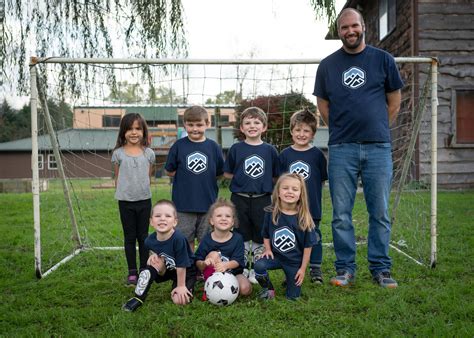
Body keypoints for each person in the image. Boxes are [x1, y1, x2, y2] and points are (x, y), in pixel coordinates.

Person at [314, 8, 403, 288]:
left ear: (364, 26)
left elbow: (394, 101)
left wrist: (376, 128)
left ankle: (380, 269)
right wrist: (341, 129)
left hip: (378, 147)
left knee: (380, 212)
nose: (350, 31)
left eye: (354, 26)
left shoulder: (383, 60)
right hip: (342, 148)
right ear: (339, 31)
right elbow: (323, 104)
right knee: (341, 214)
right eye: (344, 28)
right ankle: (345, 269)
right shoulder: (327, 66)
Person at [223, 106, 279, 284]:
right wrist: (242, 181)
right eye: (247, 122)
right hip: (239, 198)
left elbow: (275, 175)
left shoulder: (270, 150)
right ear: (241, 128)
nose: (252, 126)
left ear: (264, 127)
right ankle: (240, 267)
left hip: (262, 198)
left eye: (256, 122)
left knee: (259, 232)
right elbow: (228, 173)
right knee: (240, 232)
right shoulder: (236, 149)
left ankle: (256, 267)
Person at [279, 109, 328, 284]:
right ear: (291, 131)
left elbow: (321, 180)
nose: (301, 134)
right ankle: (292, 269)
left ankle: (315, 268)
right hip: (290, 207)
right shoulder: (285, 155)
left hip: (311, 206)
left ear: (313, 134)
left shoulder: (317, 155)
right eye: (298, 130)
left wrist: (311, 198)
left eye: (306, 131)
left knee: (314, 236)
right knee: (293, 237)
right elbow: (280, 182)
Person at [165, 106, 224, 250]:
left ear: (208, 124)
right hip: (183, 204)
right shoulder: (178, 146)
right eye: (190, 125)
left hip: (208, 204)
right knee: (186, 241)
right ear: (184, 124)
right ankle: (190, 270)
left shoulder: (213, 147)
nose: (194, 128)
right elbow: (169, 171)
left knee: (207, 241)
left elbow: (220, 172)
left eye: (199, 125)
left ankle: (205, 270)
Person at [122, 199, 196, 311]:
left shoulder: (178, 239)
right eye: (158, 216)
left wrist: (181, 286)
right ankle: (138, 298)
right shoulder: (149, 241)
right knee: (152, 264)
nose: (162, 219)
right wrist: (153, 255)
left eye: (167, 216)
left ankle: (188, 284)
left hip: (186, 270)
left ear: (175, 222)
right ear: (151, 221)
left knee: (180, 300)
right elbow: (158, 251)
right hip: (169, 268)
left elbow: (182, 265)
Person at [254, 173, 316, 300]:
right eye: (285, 188)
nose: (289, 192)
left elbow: (308, 246)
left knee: (293, 298)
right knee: (259, 265)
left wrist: (303, 269)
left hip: (294, 262)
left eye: (294, 189)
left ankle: (290, 279)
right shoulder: (271, 213)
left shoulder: (304, 218)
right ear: (278, 192)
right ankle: (268, 289)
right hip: (276, 257)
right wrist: (268, 249)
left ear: (300, 194)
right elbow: (265, 234)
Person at [112, 113, 156, 286]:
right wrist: (125, 192)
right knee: (129, 237)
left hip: (144, 200)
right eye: (129, 129)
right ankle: (132, 272)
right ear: (123, 132)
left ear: (143, 131)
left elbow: (148, 176)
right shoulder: (118, 154)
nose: (134, 132)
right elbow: (117, 178)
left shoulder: (149, 154)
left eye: (138, 128)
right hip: (125, 201)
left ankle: (144, 269)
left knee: (143, 237)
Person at [195, 198, 252, 300]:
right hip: (213, 274)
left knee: (245, 289)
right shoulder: (207, 239)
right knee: (214, 254)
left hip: (233, 273)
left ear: (233, 222)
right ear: (212, 221)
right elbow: (197, 260)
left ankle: (227, 291)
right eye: (219, 216)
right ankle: (210, 288)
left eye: (228, 216)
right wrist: (204, 263)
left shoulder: (237, 238)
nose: (224, 218)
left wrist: (226, 265)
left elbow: (238, 261)